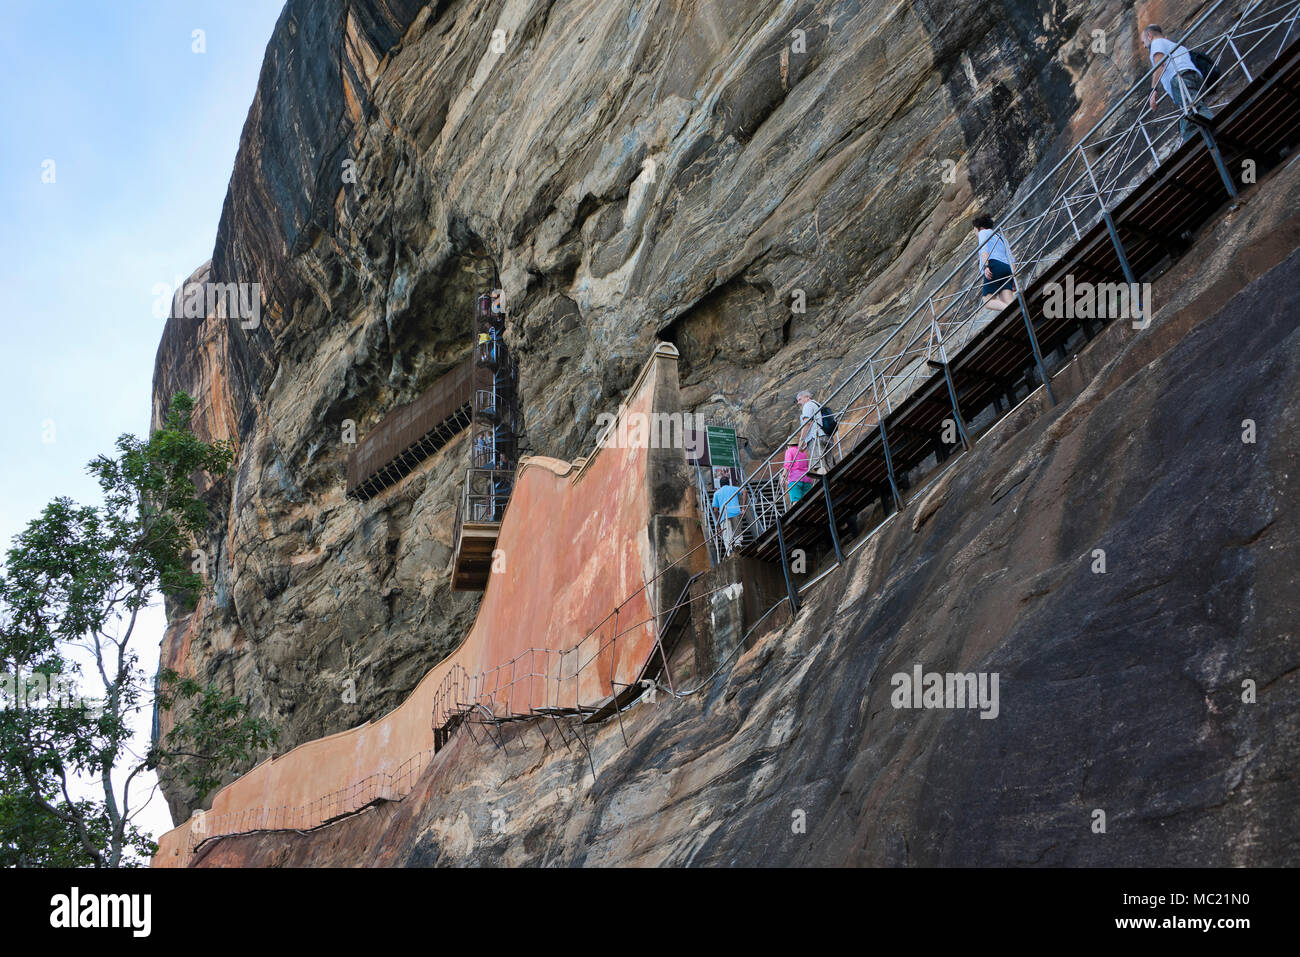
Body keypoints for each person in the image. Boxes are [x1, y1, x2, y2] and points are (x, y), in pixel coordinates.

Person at [1143, 24, 1212, 142]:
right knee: (1187, 123)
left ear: (1149, 36)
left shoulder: (1156, 43)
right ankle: (1192, 145)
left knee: (1196, 109)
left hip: (1180, 79)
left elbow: (1160, 64)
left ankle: (1218, 129)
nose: (1144, 46)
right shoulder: (1175, 46)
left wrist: (1153, 90)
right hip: (1194, 77)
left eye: (1143, 42)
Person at [973, 214, 1016, 311]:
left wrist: (986, 267)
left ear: (980, 228)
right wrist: (1013, 276)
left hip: (994, 266)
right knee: (1008, 299)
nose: (975, 234)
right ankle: (1018, 311)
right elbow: (1011, 258)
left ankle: (1011, 311)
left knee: (987, 301)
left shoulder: (982, 233)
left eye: (975, 231)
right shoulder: (1001, 237)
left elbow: (984, 251)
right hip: (1007, 268)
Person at [711, 469, 745, 556]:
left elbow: (715, 509)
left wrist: (717, 523)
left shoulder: (717, 493)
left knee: (727, 536)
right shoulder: (733, 488)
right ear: (728, 482)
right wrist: (743, 507)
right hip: (735, 512)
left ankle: (730, 551)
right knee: (737, 531)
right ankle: (738, 544)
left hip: (723, 515)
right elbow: (745, 491)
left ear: (720, 484)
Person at [796, 390, 832, 474]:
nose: (798, 402)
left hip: (815, 438)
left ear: (807, 398)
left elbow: (807, 423)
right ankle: (832, 484)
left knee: (819, 465)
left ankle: (825, 483)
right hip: (826, 436)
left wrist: (801, 440)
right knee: (828, 465)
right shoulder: (818, 405)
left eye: (800, 399)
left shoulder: (807, 405)